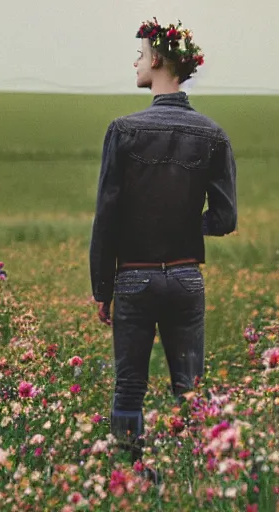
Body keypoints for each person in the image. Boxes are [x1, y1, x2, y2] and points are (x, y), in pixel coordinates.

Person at [89, 18, 237, 462]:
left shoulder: (123, 130)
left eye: (140, 53)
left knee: (129, 388)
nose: (136, 60)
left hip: (133, 278)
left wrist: (102, 288)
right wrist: (189, 229)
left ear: (158, 61)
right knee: (190, 390)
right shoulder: (214, 134)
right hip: (187, 279)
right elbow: (226, 217)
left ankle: (129, 479)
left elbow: (106, 217)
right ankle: (196, 477)